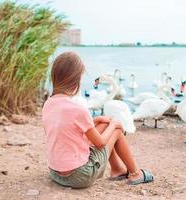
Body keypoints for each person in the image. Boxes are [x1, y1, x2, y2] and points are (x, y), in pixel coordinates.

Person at [42, 52, 154, 189]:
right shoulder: (78, 109)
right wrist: (113, 124)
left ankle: (117, 169)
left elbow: (66, 129)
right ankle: (136, 173)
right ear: (76, 80)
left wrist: (97, 120)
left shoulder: (48, 104)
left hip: (56, 173)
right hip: (79, 176)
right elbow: (100, 143)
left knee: (103, 124)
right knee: (116, 129)